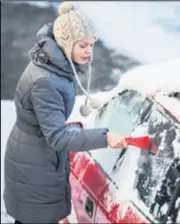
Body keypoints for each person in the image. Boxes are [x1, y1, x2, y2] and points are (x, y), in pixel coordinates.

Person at [3, 2, 128, 224]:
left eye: (91, 45)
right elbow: (57, 137)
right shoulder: (46, 82)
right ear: (66, 42)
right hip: (35, 163)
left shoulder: (55, 64)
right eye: (82, 45)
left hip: (36, 155)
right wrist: (105, 137)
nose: (89, 52)